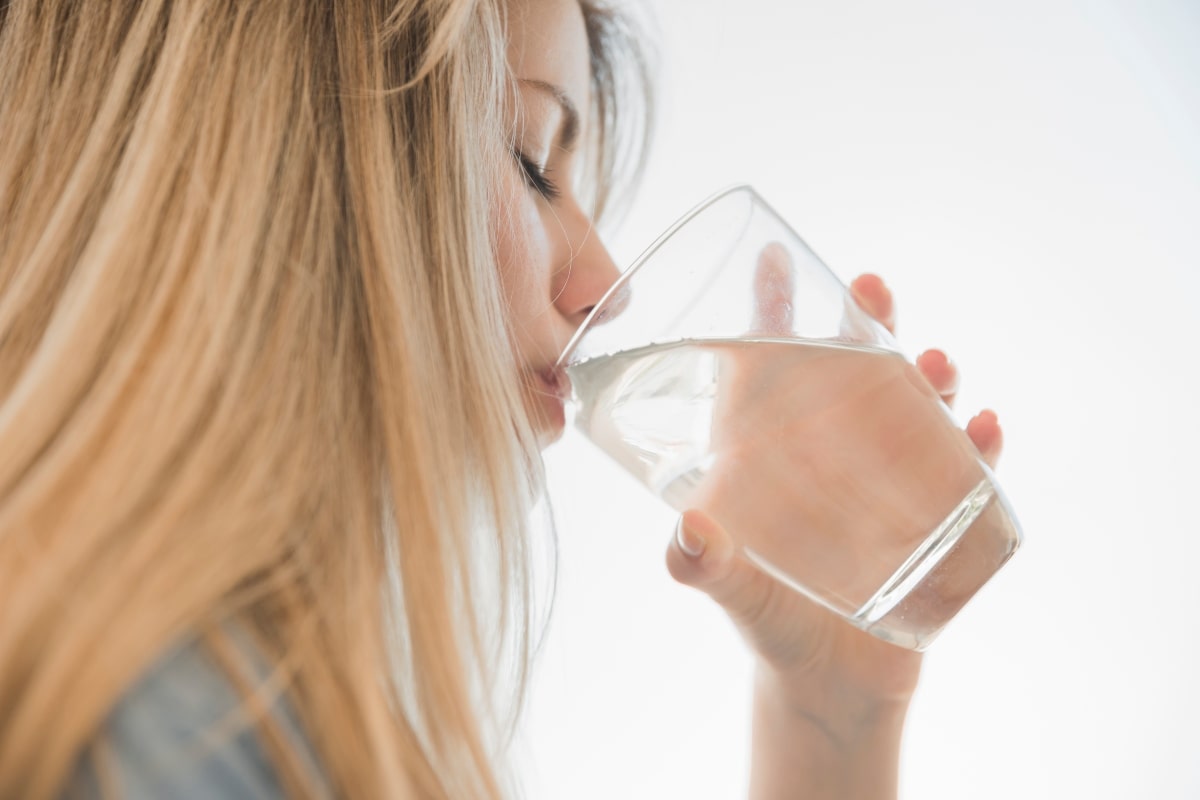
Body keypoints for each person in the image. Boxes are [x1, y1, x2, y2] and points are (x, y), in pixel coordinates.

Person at [0, 0, 1004, 797]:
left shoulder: (239, 707)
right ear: (281, 154)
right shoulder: (171, 728)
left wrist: (831, 717)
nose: (606, 282)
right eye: (532, 159)